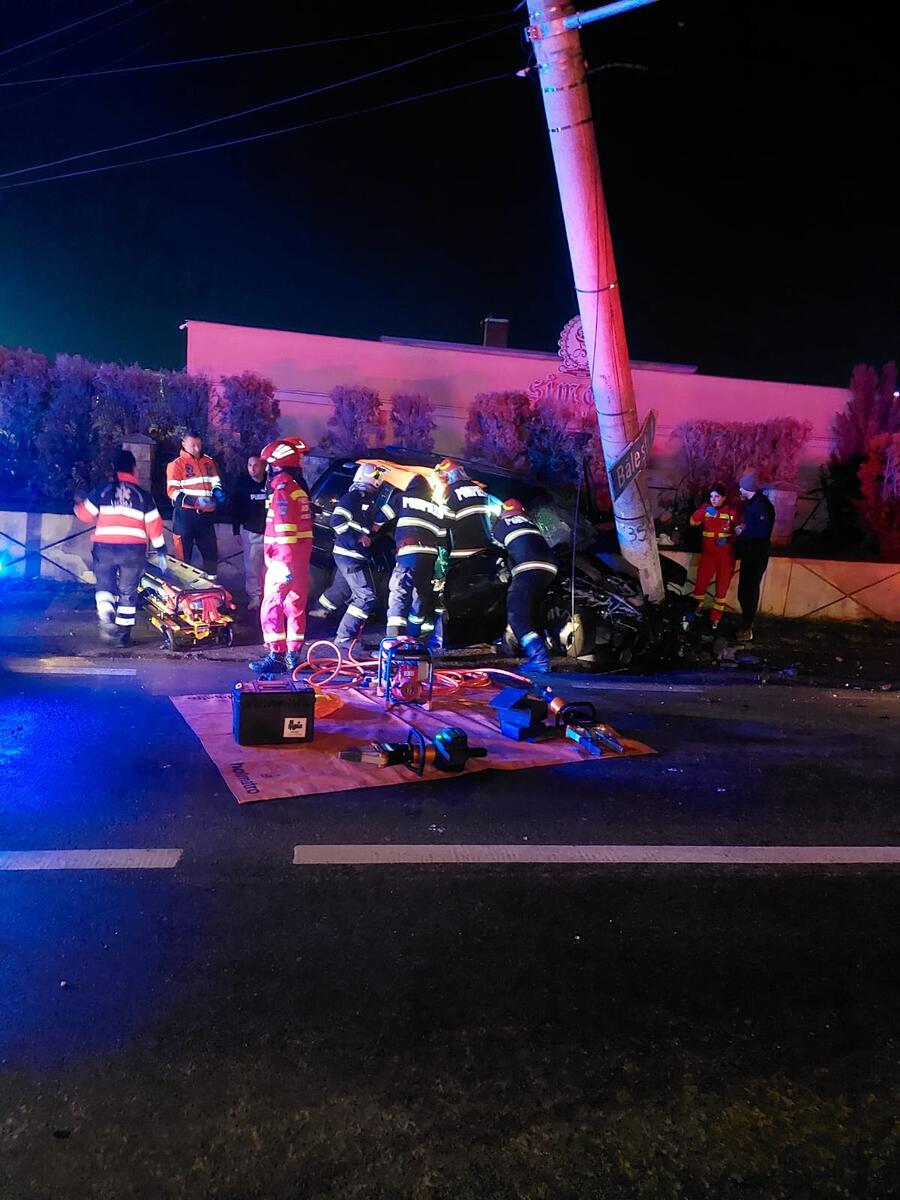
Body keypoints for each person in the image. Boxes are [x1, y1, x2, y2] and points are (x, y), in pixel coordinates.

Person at [74, 449, 166, 646]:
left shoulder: (103, 490)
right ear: (134, 469)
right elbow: (154, 525)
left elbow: (84, 514)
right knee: (128, 591)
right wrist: (161, 550)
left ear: (114, 469)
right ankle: (123, 637)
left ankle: (106, 615)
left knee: (105, 584)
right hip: (133, 551)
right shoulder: (143, 496)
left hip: (104, 548)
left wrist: (78, 504)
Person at [249, 437, 313, 674]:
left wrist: (282, 565)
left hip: (282, 563)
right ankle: (293, 657)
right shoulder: (298, 491)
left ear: (277, 466)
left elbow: (284, 533)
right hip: (298, 563)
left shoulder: (282, 493)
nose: (266, 470)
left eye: (269, 465)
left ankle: (276, 656)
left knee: (271, 605)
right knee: (295, 607)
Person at [312, 462, 387, 648]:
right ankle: (345, 637)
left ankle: (316, 615)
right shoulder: (354, 497)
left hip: (350, 554)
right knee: (366, 596)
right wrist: (357, 540)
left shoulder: (366, 500)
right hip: (350, 555)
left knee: (341, 589)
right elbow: (336, 520)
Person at [491, 498, 557, 674]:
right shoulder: (531, 523)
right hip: (550, 568)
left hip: (528, 567)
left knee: (516, 614)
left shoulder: (501, 525)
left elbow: (495, 551)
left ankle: (539, 658)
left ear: (503, 512)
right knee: (531, 612)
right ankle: (541, 649)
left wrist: (500, 568)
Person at [382, 473, 447, 642]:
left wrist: (373, 528)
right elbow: (442, 537)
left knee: (400, 591)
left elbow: (382, 516)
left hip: (409, 552)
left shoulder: (402, 498)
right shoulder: (436, 507)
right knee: (420, 594)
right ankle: (413, 636)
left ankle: (393, 639)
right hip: (429, 555)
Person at [165, 431, 223, 576]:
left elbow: (215, 481)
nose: (197, 449)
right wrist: (195, 501)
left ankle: (212, 585)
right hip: (185, 518)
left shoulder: (208, 461)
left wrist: (217, 492)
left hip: (206, 518)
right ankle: (184, 588)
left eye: (199, 445)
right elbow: (172, 492)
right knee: (183, 560)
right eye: (193, 445)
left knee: (211, 556)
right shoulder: (176, 465)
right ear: (183, 444)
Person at [687, 483, 739, 628]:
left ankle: (715, 618)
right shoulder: (706, 509)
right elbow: (693, 522)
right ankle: (696, 611)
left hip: (726, 557)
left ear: (724, 498)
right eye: (711, 496)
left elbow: (739, 531)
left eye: (717, 496)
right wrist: (703, 511)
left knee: (721, 589)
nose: (713, 499)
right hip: (708, 556)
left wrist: (729, 539)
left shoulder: (731, 512)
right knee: (700, 585)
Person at [735, 471, 776, 642]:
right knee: (744, 591)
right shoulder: (753, 503)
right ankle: (745, 625)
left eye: (741, 487)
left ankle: (747, 628)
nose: (739, 489)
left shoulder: (761, 505)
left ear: (747, 488)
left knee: (749, 591)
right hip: (750, 553)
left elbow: (760, 531)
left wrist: (742, 532)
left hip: (756, 554)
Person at [231, 454, 268, 609]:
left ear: (263, 466)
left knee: (270, 568)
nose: (252, 469)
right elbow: (235, 508)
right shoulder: (242, 484)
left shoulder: (271, 482)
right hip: (251, 532)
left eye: (256, 465)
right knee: (252, 568)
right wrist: (236, 531)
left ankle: (269, 596)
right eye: (249, 465)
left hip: (271, 533)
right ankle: (254, 597)